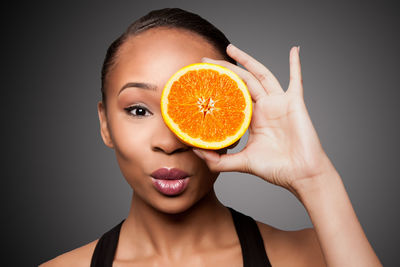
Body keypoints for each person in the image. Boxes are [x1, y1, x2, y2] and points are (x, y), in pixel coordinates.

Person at [40, 7, 382, 267]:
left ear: (236, 117)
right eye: (139, 110)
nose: (170, 142)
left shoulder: (311, 256)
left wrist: (315, 178)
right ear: (105, 125)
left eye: (201, 108)